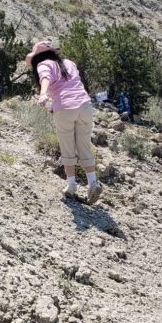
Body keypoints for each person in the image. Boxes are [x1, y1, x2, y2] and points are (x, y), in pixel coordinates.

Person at [27, 41, 103, 204]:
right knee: (84, 145)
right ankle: (93, 183)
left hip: (65, 108)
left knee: (67, 147)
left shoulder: (43, 64)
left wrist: (43, 94)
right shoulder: (69, 63)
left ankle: (71, 186)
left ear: (37, 57)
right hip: (85, 106)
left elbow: (45, 78)